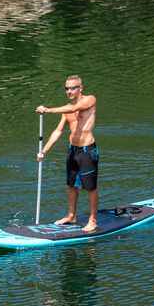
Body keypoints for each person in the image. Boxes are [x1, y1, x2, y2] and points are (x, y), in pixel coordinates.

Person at [36, 75, 99, 232]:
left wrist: (48, 110)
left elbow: (74, 108)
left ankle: (92, 220)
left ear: (80, 88)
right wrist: (44, 151)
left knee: (90, 187)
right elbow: (58, 131)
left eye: (72, 88)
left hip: (87, 151)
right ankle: (71, 216)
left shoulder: (90, 100)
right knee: (71, 185)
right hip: (73, 151)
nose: (69, 91)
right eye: (66, 89)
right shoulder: (66, 110)